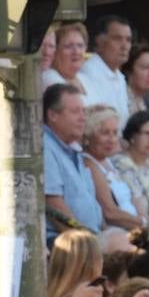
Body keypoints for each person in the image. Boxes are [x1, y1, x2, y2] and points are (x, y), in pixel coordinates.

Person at [42, 84, 103, 237]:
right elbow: (54, 206)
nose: (83, 118)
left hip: (89, 236)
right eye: (75, 112)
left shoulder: (73, 148)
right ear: (53, 115)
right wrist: (86, 243)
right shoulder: (43, 146)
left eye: (84, 111)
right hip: (62, 242)